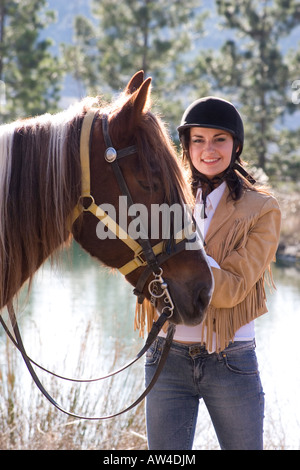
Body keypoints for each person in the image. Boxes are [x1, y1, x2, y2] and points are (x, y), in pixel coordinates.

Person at [145, 96, 281, 450]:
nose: (208, 149)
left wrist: (179, 260)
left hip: (231, 360)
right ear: (187, 146)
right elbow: (142, 275)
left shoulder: (262, 208)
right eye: (198, 140)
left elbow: (233, 288)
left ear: (235, 145)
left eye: (219, 139)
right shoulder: (160, 202)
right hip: (166, 357)